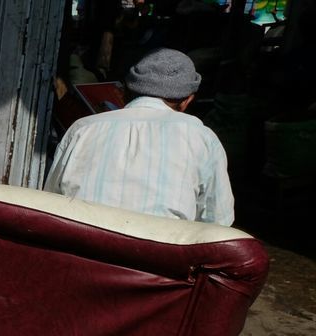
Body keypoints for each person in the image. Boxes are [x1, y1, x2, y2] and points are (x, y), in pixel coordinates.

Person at [44, 48, 235, 225]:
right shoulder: (202, 138)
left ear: (125, 91)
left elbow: (51, 203)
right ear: (187, 101)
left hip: (81, 252)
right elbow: (217, 222)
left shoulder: (83, 129)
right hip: (159, 256)